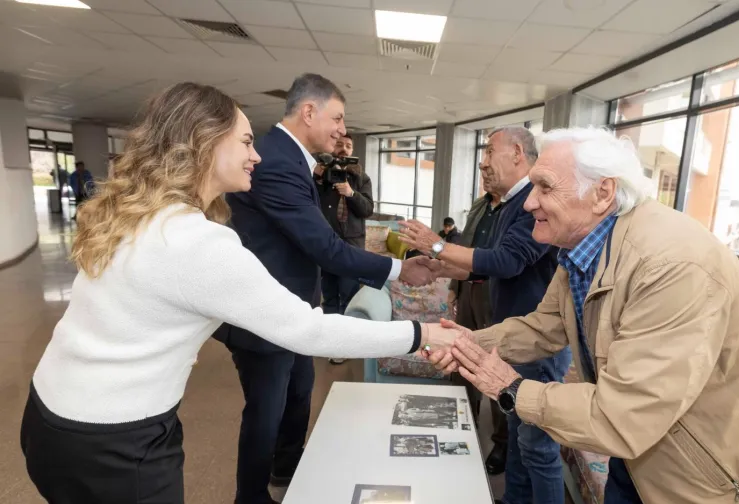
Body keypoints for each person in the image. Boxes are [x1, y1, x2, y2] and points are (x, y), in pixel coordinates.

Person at [19, 82, 454, 504]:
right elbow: (309, 332)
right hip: (113, 441)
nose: (256, 155)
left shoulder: (135, 214)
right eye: (245, 142)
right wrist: (423, 335)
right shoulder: (197, 241)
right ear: (207, 144)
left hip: (50, 417)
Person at [426, 127, 739, 504]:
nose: (528, 203)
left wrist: (512, 390)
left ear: (602, 192)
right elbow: (544, 327)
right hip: (641, 454)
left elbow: (625, 416)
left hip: (716, 477)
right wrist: (468, 342)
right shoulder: (584, 246)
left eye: (544, 187)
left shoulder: (672, 265)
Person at [215, 73, 438, 504]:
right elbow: (324, 247)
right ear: (308, 111)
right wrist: (400, 270)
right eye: (337, 118)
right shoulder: (278, 161)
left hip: (294, 309)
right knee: (266, 412)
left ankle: (287, 473)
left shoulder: (293, 158)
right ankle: (252, 496)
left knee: (297, 395)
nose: (341, 129)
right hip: (264, 316)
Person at [399, 126, 570, 504]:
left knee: (537, 449)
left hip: (539, 342)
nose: (484, 160)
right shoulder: (511, 203)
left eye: (490, 150)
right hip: (514, 335)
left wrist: (439, 244)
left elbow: (508, 260)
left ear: (517, 153)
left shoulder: (532, 203)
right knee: (517, 434)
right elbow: (488, 263)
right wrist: (441, 267)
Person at [445, 184, 510, 476]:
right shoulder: (478, 206)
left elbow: (505, 260)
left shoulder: (517, 209)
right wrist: (453, 287)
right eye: (482, 161)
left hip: (496, 295)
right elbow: (465, 250)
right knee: (462, 356)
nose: (484, 167)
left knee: (493, 363)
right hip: (469, 290)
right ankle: (462, 424)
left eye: (490, 158)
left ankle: (502, 442)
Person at [314, 133, 375, 364]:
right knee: (328, 296)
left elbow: (367, 209)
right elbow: (311, 202)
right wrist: (317, 179)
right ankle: (330, 342)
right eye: (339, 144)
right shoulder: (322, 173)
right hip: (326, 243)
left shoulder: (362, 178)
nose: (344, 148)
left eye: (348, 146)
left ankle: (346, 345)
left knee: (348, 296)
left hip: (351, 246)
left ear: (353, 151)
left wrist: (351, 193)